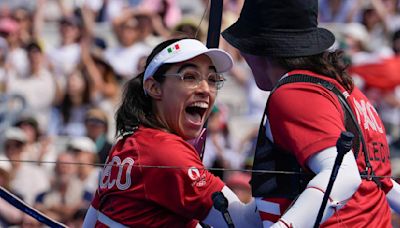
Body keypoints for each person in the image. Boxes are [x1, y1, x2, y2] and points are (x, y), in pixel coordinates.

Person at [221, 0, 400, 227]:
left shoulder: (294, 92)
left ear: (258, 47)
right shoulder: (350, 93)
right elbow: (383, 184)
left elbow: (345, 176)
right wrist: (202, 192)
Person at [82, 37, 262, 227]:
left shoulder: (128, 142)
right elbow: (244, 224)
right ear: (154, 87)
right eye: (190, 77)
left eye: (212, 80)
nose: (205, 90)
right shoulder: (166, 152)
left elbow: (92, 219)